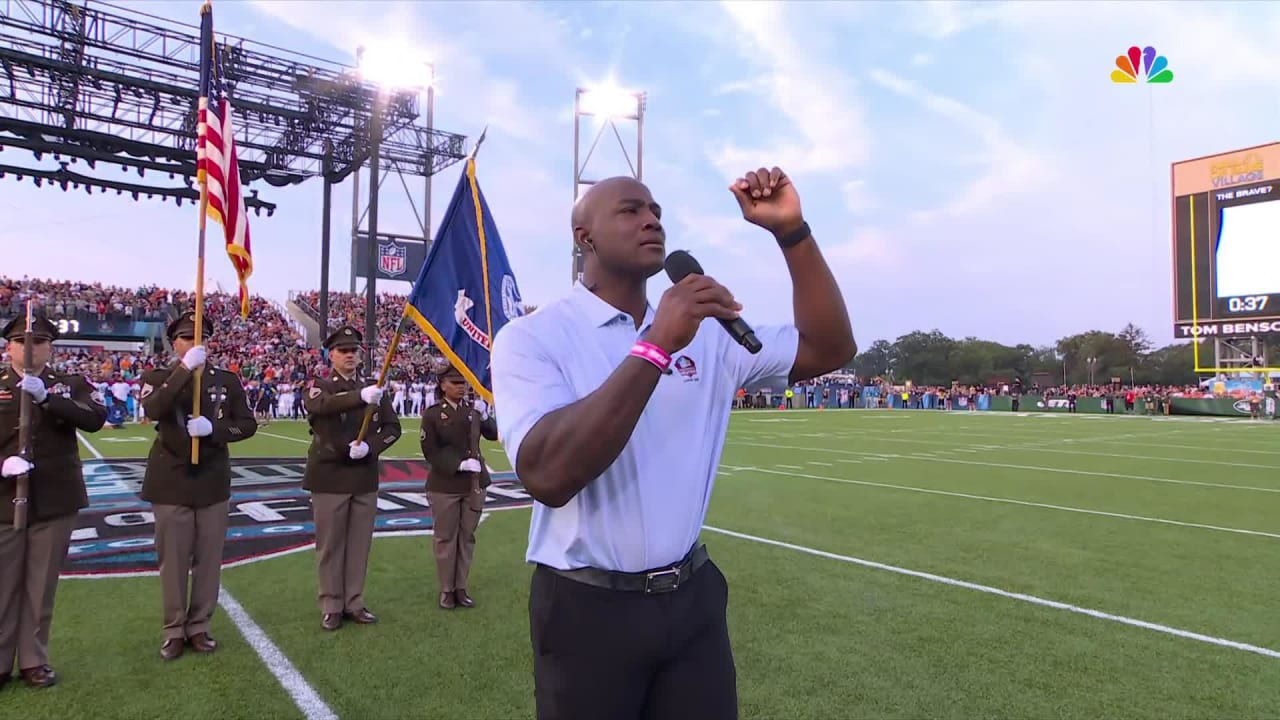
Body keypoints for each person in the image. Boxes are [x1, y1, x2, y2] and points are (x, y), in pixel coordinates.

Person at [491, 166, 856, 719]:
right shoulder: (532, 337)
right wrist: (657, 343)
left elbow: (829, 347)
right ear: (583, 236)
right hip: (587, 605)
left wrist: (792, 233)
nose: (651, 220)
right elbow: (548, 475)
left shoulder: (707, 330)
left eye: (656, 210)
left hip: (691, 599)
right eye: (630, 210)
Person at [139, 311, 258, 661]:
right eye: (187, 338)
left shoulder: (227, 380)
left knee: (209, 559)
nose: (195, 343)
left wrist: (215, 430)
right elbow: (154, 408)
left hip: (212, 478)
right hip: (170, 479)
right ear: (175, 343)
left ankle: (200, 625)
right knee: (173, 560)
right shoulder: (158, 376)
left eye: (201, 337)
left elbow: (247, 424)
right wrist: (183, 371)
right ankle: (174, 628)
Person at [0, 314, 108, 688]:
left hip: (54, 498)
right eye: (22, 341)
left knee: (40, 585)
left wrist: (48, 399)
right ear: (8, 346)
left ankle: (33, 659)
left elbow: (96, 417)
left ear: (51, 347)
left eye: (40, 341)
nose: (31, 348)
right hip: (2, 499)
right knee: (3, 584)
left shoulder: (68, 384)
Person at [302, 325, 401, 631]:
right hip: (330, 476)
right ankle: (331, 604)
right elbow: (320, 406)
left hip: (362, 475)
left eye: (354, 351)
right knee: (331, 545)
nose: (349, 356)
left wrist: (371, 446)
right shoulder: (321, 385)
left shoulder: (374, 387)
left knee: (359, 545)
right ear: (330, 354)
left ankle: (354, 602)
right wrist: (360, 396)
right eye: (343, 351)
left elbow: (392, 428)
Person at [418, 362, 498, 609]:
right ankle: (446, 589)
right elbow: (430, 450)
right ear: (443, 386)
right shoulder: (433, 414)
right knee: (445, 537)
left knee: (466, 537)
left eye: (463, 383)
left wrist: (485, 415)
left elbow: (493, 434)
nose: (461, 387)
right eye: (455, 383)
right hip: (446, 484)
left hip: (473, 483)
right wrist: (459, 464)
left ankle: (461, 587)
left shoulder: (473, 410)